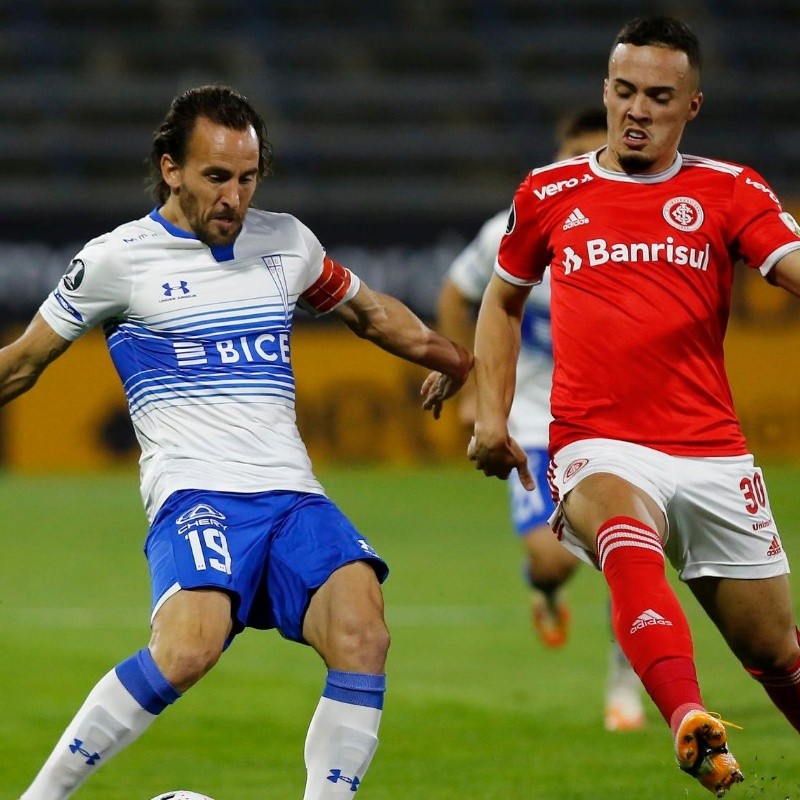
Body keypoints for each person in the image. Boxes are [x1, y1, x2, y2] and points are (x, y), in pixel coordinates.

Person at [5, 84, 472, 800]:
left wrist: (452, 359)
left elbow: (371, 314)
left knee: (363, 633)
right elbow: (25, 362)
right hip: (196, 491)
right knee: (186, 651)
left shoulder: (286, 241)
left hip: (291, 494)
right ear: (171, 169)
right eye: (215, 176)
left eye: (247, 177)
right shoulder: (116, 260)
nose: (234, 195)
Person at [466, 15, 800, 797]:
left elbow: (790, 264)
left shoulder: (729, 189)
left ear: (692, 106)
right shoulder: (550, 193)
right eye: (624, 92)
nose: (637, 110)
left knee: (777, 649)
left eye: (658, 96)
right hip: (596, 440)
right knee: (621, 527)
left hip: (711, 449)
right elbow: (500, 301)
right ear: (605, 94)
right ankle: (689, 720)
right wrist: (491, 415)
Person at [437, 107, 644, 732]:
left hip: (612, 420)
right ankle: (547, 586)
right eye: (571, 155)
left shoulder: (633, 231)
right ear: (558, 158)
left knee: (625, 551)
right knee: (553, 560)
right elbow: (456, 293)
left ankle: (625, 686)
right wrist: (474, 388)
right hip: (530, 420)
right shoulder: (515, 225)